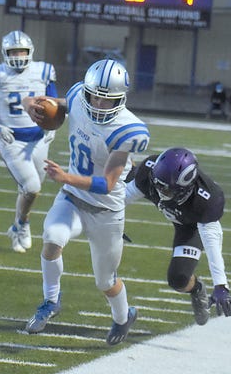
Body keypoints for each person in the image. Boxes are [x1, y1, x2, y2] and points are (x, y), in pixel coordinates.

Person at [21, 59, 150, 346]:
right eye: (95, 97)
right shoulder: (79, 96)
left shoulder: (129, 129)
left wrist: (66, 177)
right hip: (74, 198)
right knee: (53, 239)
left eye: (108, 101)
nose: (99, 105)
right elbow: (46, 102)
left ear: (121, 99)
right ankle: (51, 301)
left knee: (105, 281)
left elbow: (108, 184)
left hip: (107, 211)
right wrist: (31, 104)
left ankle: (122, 317)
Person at [124, 147, 231, 325]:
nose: (160, 191)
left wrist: (221, 285)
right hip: (170, 204)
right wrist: (111, 222)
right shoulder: (151, 173)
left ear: (186, 188)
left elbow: (212, 242)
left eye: (167, 190)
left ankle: (196, 288)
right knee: (115, 179)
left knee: (178, 279)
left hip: (189, 227)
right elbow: (124, 195)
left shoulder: (207, 199)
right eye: (157, 184)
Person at [0, 30, 58, 253]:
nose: (18, 55)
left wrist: (54, 125)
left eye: (22, 51)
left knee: (30, 191)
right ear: (4, 53)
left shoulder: (43, 71)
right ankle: (23, 225)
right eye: (13, 51)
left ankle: (18, 224)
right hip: (12, 141)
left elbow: (54, 103)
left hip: (40, 140)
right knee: (31, 187)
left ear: (30, 52)